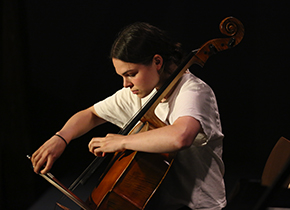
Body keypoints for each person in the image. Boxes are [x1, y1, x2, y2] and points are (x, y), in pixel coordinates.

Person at [31, 22, 226, 210]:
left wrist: (123, 142)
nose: (126, 84)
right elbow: (90, 114)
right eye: (122, 76)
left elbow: (180, 136)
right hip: (158, 204)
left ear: (157, 62)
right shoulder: (141, 91)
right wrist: (61, 137)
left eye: (131, 74)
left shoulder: (193, 91)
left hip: (199, 206)